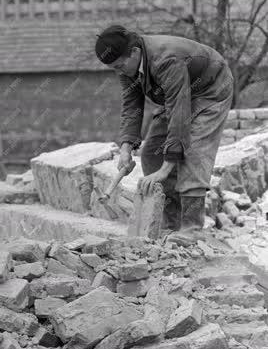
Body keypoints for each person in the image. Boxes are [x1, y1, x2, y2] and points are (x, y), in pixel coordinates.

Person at [94, 25, 234, 233]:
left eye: (119, 65)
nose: (118, 71)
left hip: (210, 90)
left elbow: (179, 110)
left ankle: (191, 229)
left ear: (134, 52)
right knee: (152, 152)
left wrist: (167, 167)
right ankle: (172, 224)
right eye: (113, 67)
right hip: (177, 93)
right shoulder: (127, 66)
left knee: (193, 153)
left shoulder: (165, 60)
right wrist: (126, 147)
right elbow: (132, 105)